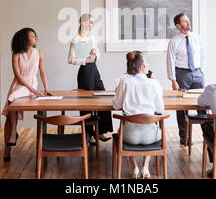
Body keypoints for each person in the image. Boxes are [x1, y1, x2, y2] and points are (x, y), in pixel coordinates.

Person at [1, 27, 51, 161]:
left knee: (12, 101)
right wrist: (34, 91)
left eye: (35, 36)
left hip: (31, 84)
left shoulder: (39, 53)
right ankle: (10, 140)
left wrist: (46, 88)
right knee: (11, 104)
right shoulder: (16, 54)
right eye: (32, 36)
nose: (35, 38)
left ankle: (12, 135)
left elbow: (42, 73)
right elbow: (18, 76)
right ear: (24, 39)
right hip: (19, 84)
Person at [113, 51, 165, 179]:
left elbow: (116, 106)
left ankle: (135, 167)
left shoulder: (124, 81)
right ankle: (146, 167)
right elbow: (160, 109)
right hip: (151, 137)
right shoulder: (154, 83)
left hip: (129, 136)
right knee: (151, 125)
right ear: (141, 68)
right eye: (146, 63)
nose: (148, 65)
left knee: (123, 128)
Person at [68, 13, 113, 144]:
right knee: (86, 103)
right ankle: (89, 134)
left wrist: (95, 54)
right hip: (84, 70)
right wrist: (84, 60)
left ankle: (100, 131)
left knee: (103, 97)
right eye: (91, 22)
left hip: (94, 69)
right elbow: (70, 59)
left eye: (93, 22)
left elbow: (98, 53)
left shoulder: (92, 37)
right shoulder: (76, 39)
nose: (93, 25)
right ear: (84, 23)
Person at [167, 12, 206, 144]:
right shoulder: (174, 41)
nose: (188, 23)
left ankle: (207, 134)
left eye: (188, 20)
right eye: (184, 21)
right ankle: (185, 137)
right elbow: (170, 61)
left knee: (202, 103)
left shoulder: (197, 38)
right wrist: (173, 80)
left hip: (197, 73)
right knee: (182, 107)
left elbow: (203, 55)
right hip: (182, 74)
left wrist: (202, 71)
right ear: (178, 25)